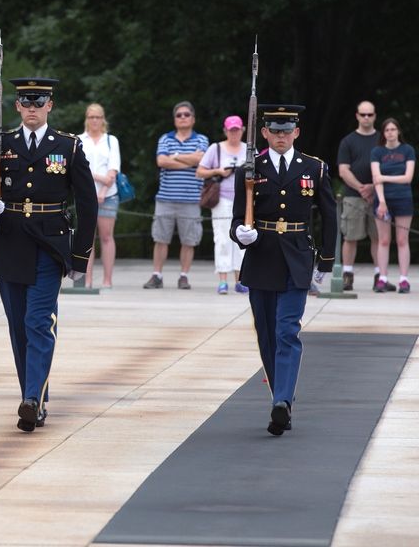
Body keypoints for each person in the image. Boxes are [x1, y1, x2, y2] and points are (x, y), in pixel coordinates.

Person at [0, 77, 98, 432]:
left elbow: (87, 203)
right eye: (25, 102)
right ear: (16, 106)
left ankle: (31, 399)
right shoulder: (2, 144)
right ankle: (35, 395)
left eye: (38, 102)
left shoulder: (68, 146)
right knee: (19, 328)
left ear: (50, 105)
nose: (32, 108)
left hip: (49, 245)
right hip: (11, 243)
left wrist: (80, 256)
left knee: (38, 322)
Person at [231, 104, 337, 436]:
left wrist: (326, 260)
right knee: (266, 334)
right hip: (261, 256)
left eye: (286, 131)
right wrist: (240, 234)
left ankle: (282, 403)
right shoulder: (249, 170)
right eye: (274, 131)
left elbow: (329, 216)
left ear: (296, 132)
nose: (281, 136)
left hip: (296, 257)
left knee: (286, 332)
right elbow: (237, 218)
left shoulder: (313, 168)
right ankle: (282, 397)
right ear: (264, 133)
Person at [144, 101, 207, 289]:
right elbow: (161, 161)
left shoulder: (201, 139)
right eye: (179, 115)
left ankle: (184, 276)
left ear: (193, 119)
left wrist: (175, 156)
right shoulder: (165, 138)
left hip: (191, 199)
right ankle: (157, 275)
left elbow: (201, 159)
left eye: (186, 114)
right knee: (160, 239)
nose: (182, 117)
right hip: (165, 198)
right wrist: (189, 160)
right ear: (174, 119)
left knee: (189, 240)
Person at [197, 115, 247, 294]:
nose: (234, 134)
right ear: (226, 131)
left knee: (242, 239)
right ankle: (223, 280)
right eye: (231, 130)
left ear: (243, 130)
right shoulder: (216, 148)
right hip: (222, 199)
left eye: (237, 130)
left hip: (244, 199)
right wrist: (218, 171)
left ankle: (241, 279)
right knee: (223, 239)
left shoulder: (249, 150)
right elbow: (200, 172)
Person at [338, 101, 381, 291]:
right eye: (363, 114)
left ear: (375, 116)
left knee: (379, 238)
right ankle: (347, 274)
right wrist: (362, 188)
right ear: (357, 115)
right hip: (353, 196)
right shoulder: (348, 141)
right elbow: (343, 170)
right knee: (350, 237)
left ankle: (381, 274)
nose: (366, 118)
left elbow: (387, 167)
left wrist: (374, 187)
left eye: (369, 115)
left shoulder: (382, 139)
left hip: (379, 196)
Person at [78, 103, 120, 289]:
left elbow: (113, 170)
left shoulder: (111, 140)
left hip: (108, 196)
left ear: (103, 119)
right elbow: (79, 170)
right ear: (86, 119)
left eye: (97, 117)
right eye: (91, 117)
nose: (94, 120)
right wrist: (95, 178)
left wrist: (102, 191)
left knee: (106, 236)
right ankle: (87, 280)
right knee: (88, 237)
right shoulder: (79, 140)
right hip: (85, 195)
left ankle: (107, 280)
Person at [371, 118, 415, 294]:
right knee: (383, 240)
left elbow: (407, 177)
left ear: (398, 131)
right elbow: (376, 178)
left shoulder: (408, 150)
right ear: (383, 133)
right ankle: (382, 278)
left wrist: (385, 177)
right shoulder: (377, 152)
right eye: (387, 130)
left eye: (393, 129)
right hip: (383, 200)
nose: (390, 132)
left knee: (402, 240)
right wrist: (382, 201)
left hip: (403, 198)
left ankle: (403, 280)